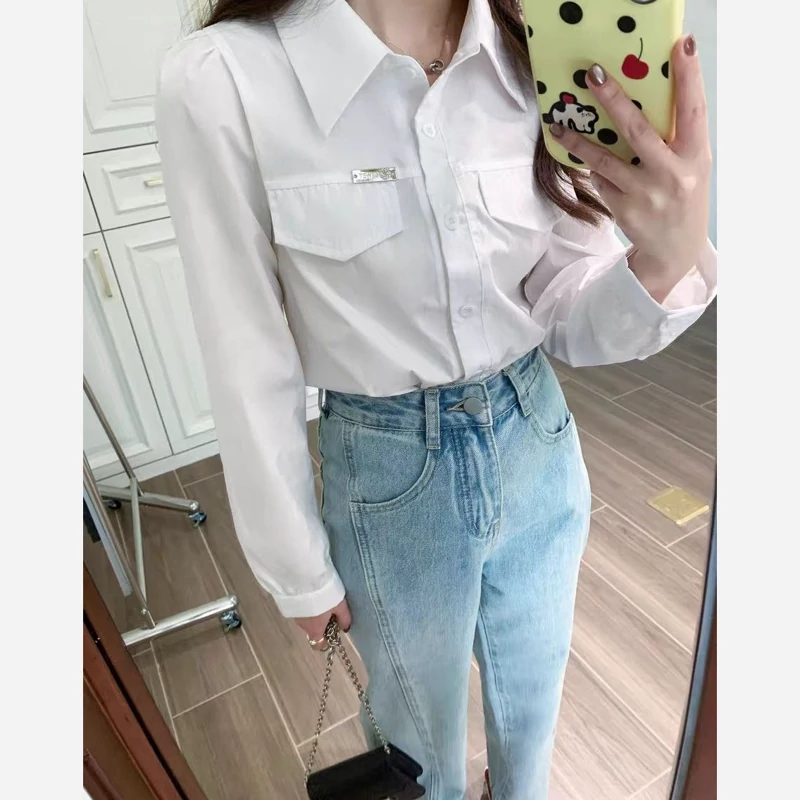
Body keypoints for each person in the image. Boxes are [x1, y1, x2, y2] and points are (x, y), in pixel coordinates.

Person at [156, 1, 716, 797]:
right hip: (388, 474)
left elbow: (563, 303)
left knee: (533, 714)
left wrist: (664, 258)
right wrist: (296, 566)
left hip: (536, 433)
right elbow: (245, 350)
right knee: (418, 754)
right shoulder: (224, 79)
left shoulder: (534, 50)